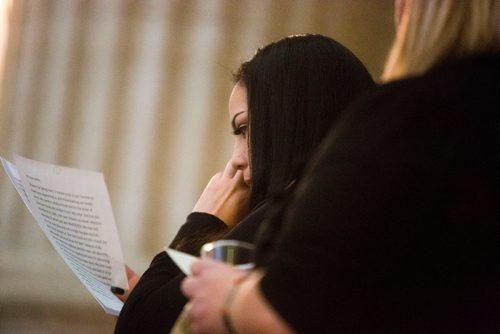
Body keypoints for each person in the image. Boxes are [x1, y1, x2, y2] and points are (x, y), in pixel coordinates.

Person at [181, 1, 500, 333]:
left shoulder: (415, 119)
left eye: (245, 130)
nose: (237, 159)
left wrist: (230, 296)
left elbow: (290, 308)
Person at [114, 34, 375, 333]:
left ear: (289, 121)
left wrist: (201, 223)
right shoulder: (363, 210)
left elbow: (141, 327)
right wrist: (148, 297)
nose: (234, 161)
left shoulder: (297, 209)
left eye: (244, 128)